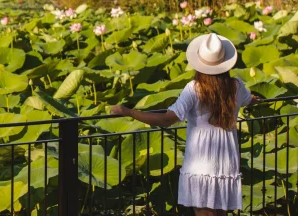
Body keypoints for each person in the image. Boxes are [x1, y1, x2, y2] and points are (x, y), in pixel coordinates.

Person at [111, 33, 261, 216]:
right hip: (226, 163)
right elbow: (247, 100)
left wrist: (130, 112)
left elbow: (167, 119)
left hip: (201, 164)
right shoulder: (236, 86)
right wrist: (254, 99)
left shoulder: (194, 89)